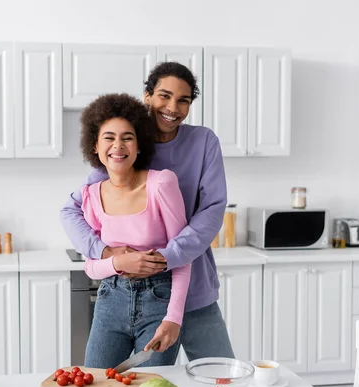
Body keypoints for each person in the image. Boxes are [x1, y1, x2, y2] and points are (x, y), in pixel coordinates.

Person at [61, 61, 235, 361]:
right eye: (164, 96)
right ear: (147, 96)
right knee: (140, 384)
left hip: (192, 288)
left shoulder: (203, 141)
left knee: (220, 378)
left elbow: (212, 210)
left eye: (184, 100)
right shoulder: (125, 148)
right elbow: (71, 209)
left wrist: (166, 257)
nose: (172, 107)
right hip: (134, 290)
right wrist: (105, 252)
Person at [77, 93, 191, 368]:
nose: (118, 145)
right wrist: (120, 263)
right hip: (110, 300)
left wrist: (173, 319)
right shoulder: (92, 195)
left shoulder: (161, 184)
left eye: (127, 137)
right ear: (95, 145)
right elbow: (91, 267)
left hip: (158, 302)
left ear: (139, 144)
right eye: (109, 137)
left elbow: (184, 256)